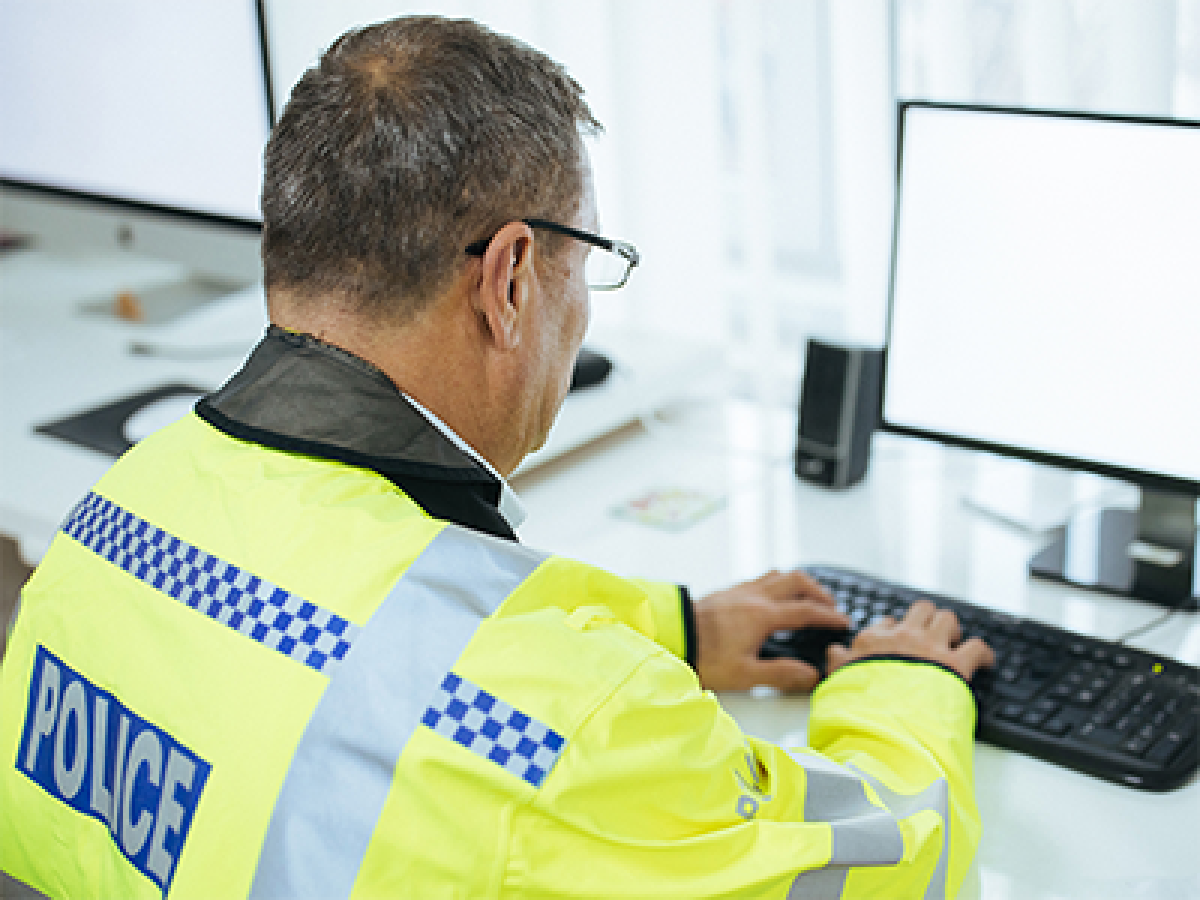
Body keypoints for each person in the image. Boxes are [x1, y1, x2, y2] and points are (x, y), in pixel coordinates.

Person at [0, 15, 993, 899]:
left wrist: (677, 628)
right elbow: (890, 859)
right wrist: (901, 682)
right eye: (591, 262)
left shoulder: (115, 516)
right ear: (512, 276)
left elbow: (367, 624)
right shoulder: (561, 728)